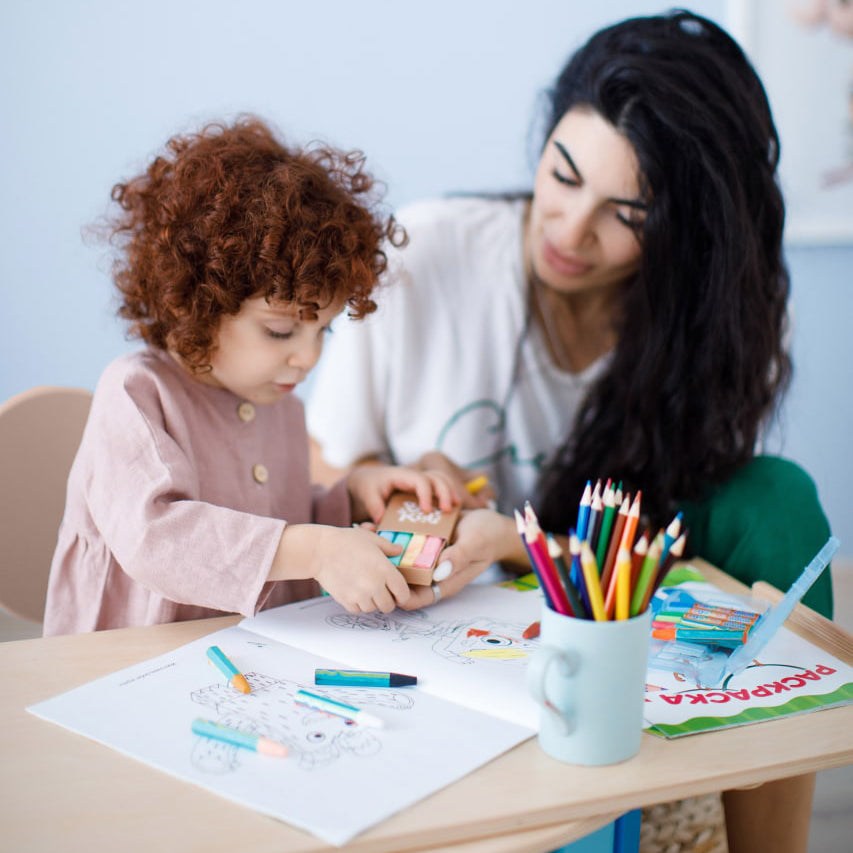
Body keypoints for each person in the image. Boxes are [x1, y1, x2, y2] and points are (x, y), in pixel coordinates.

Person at [307, 11, 833, 852]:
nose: (569, 229)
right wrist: (400, 479)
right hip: (446, 602)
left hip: (605, 598)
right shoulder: (424, 253)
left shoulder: (725, 320)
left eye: (627, 212)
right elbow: (326, 464)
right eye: (561, 174)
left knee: (778, 503)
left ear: (690, 227)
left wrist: (518, 545)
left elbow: (666, 526)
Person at [43, 117, 459, 637]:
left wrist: (349, 498)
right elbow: (155, 539)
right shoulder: (137, 393)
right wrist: (315, 547)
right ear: (198, 302)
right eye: (281, 331)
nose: (306, 359)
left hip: (244, 662)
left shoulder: (279, 404)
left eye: (322, 334)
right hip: (123, 665)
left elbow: (277, 515)